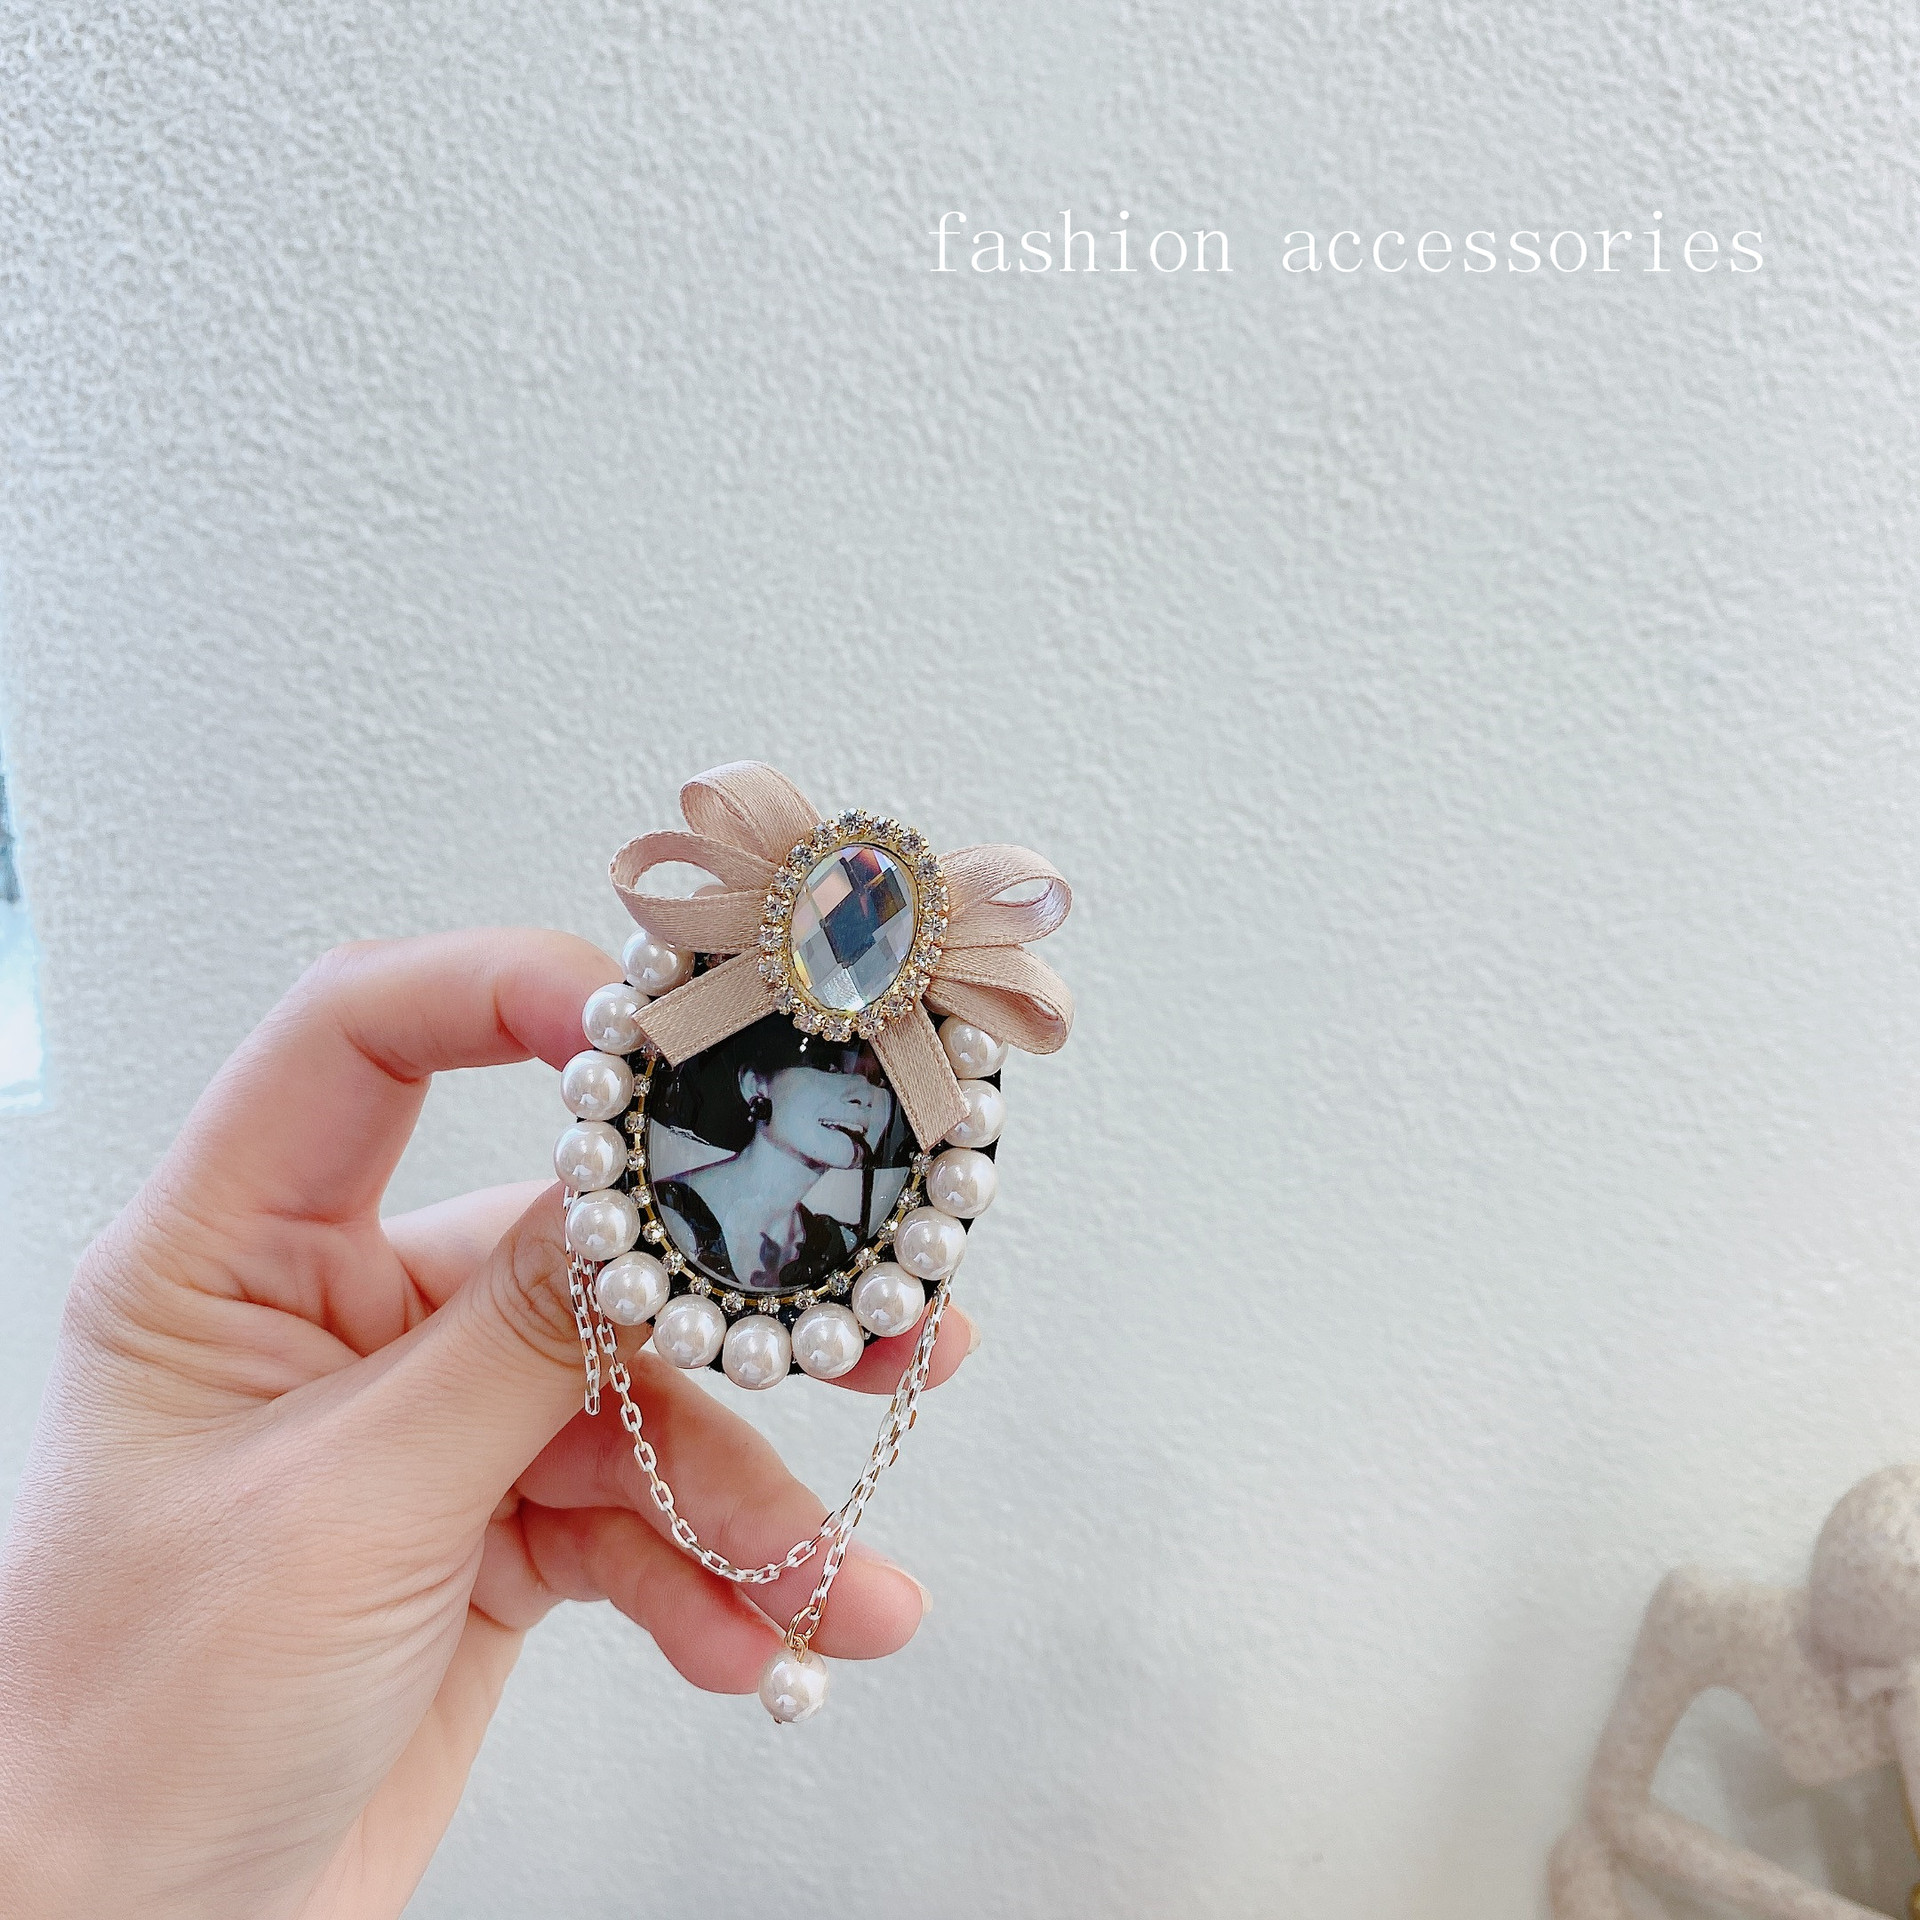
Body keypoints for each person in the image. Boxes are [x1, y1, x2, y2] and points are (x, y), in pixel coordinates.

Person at [0, 931, 972, 1920]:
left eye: (877, 1083)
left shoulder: (825, 1244)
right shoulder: (671, 1206)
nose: (861, 1102)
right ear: (755, 1083)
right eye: (834, 1070)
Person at [650, 1019, 910, 1292]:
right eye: (829, 1067)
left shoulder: (838, 1242)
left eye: (877, 1080)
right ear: (755, 1085)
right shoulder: (674, 1217)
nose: (865, 1096)